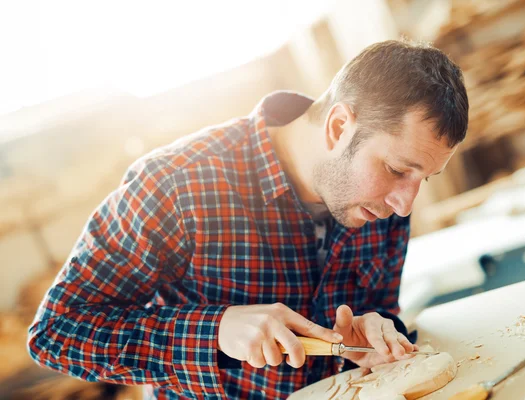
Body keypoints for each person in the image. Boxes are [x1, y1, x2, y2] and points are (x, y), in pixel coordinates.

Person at [28, 39, 468, 399]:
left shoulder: (384, 202)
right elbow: (55, 331)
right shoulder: (177, 183)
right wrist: (214, 331)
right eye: (396, 169)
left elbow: (381, 310)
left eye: (423, 179)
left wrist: (377, 330)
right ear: (338, 127)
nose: (405, 205)